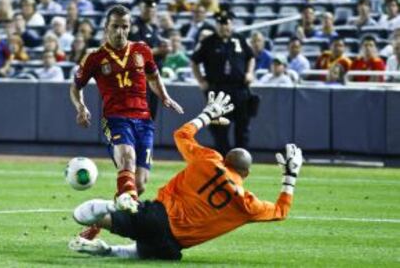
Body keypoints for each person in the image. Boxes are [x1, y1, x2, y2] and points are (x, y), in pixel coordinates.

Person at [68, 91, 303, 261]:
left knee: (83, 214)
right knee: (141, 252)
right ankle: (108, 250)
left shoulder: (210, 159)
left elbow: (181, 134)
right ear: (246, 173)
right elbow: (281, 212)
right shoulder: (246, 203)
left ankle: (114, 205)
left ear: (226, 158)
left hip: (157, 217)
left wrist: (207, 115)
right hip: (172, 246)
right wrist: (290, 176)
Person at [70, 4, 183, 239]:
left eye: (125, 26)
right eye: (115, 27)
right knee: (127, 160)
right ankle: (124, 221)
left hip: (144, 120)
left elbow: (153, 76)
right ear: (106, 27)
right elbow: (75, 87)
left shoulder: (142, 50)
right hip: (116, 119)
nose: (120, 32)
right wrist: (81, 106)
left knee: (138, 185)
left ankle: (98, 223)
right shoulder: (95, 57)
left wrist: (164, 96)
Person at [191, 10, 255, 155]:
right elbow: (194, 61)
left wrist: (250, 72)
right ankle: (223, 158)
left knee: (242, 126)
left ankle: (241, 159)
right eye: (220, 23)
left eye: (226, 23)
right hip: (218, 89)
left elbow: (250, 56)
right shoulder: (208, 42)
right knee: (219, 128)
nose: (223, 27)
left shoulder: (239, 39)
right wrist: (200, 80)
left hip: (239, 88)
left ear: (231, 24)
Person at [129, 0, 171, 120]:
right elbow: (135, 53)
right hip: (140, 79)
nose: (150, 10)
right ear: (141, 8)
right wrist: (158, 51)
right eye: (147, 7)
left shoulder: (154, 28)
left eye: (153, 7)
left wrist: (164, 50)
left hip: (154, 78)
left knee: (151, 115)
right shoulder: (135, 27)